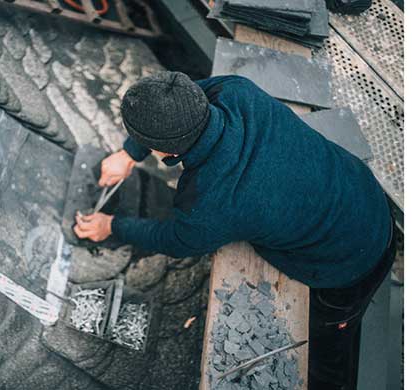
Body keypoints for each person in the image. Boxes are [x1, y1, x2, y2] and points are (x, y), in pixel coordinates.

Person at [73, 71, 395, 390]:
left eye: (147, 146)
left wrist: (111, 225)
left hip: (351, 264)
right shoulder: (237, 92)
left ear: (168, 154)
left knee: (324, 351)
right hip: (365, 192)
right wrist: (129, 153)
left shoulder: (211, 200)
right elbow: (190, 94)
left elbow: (174, 239)